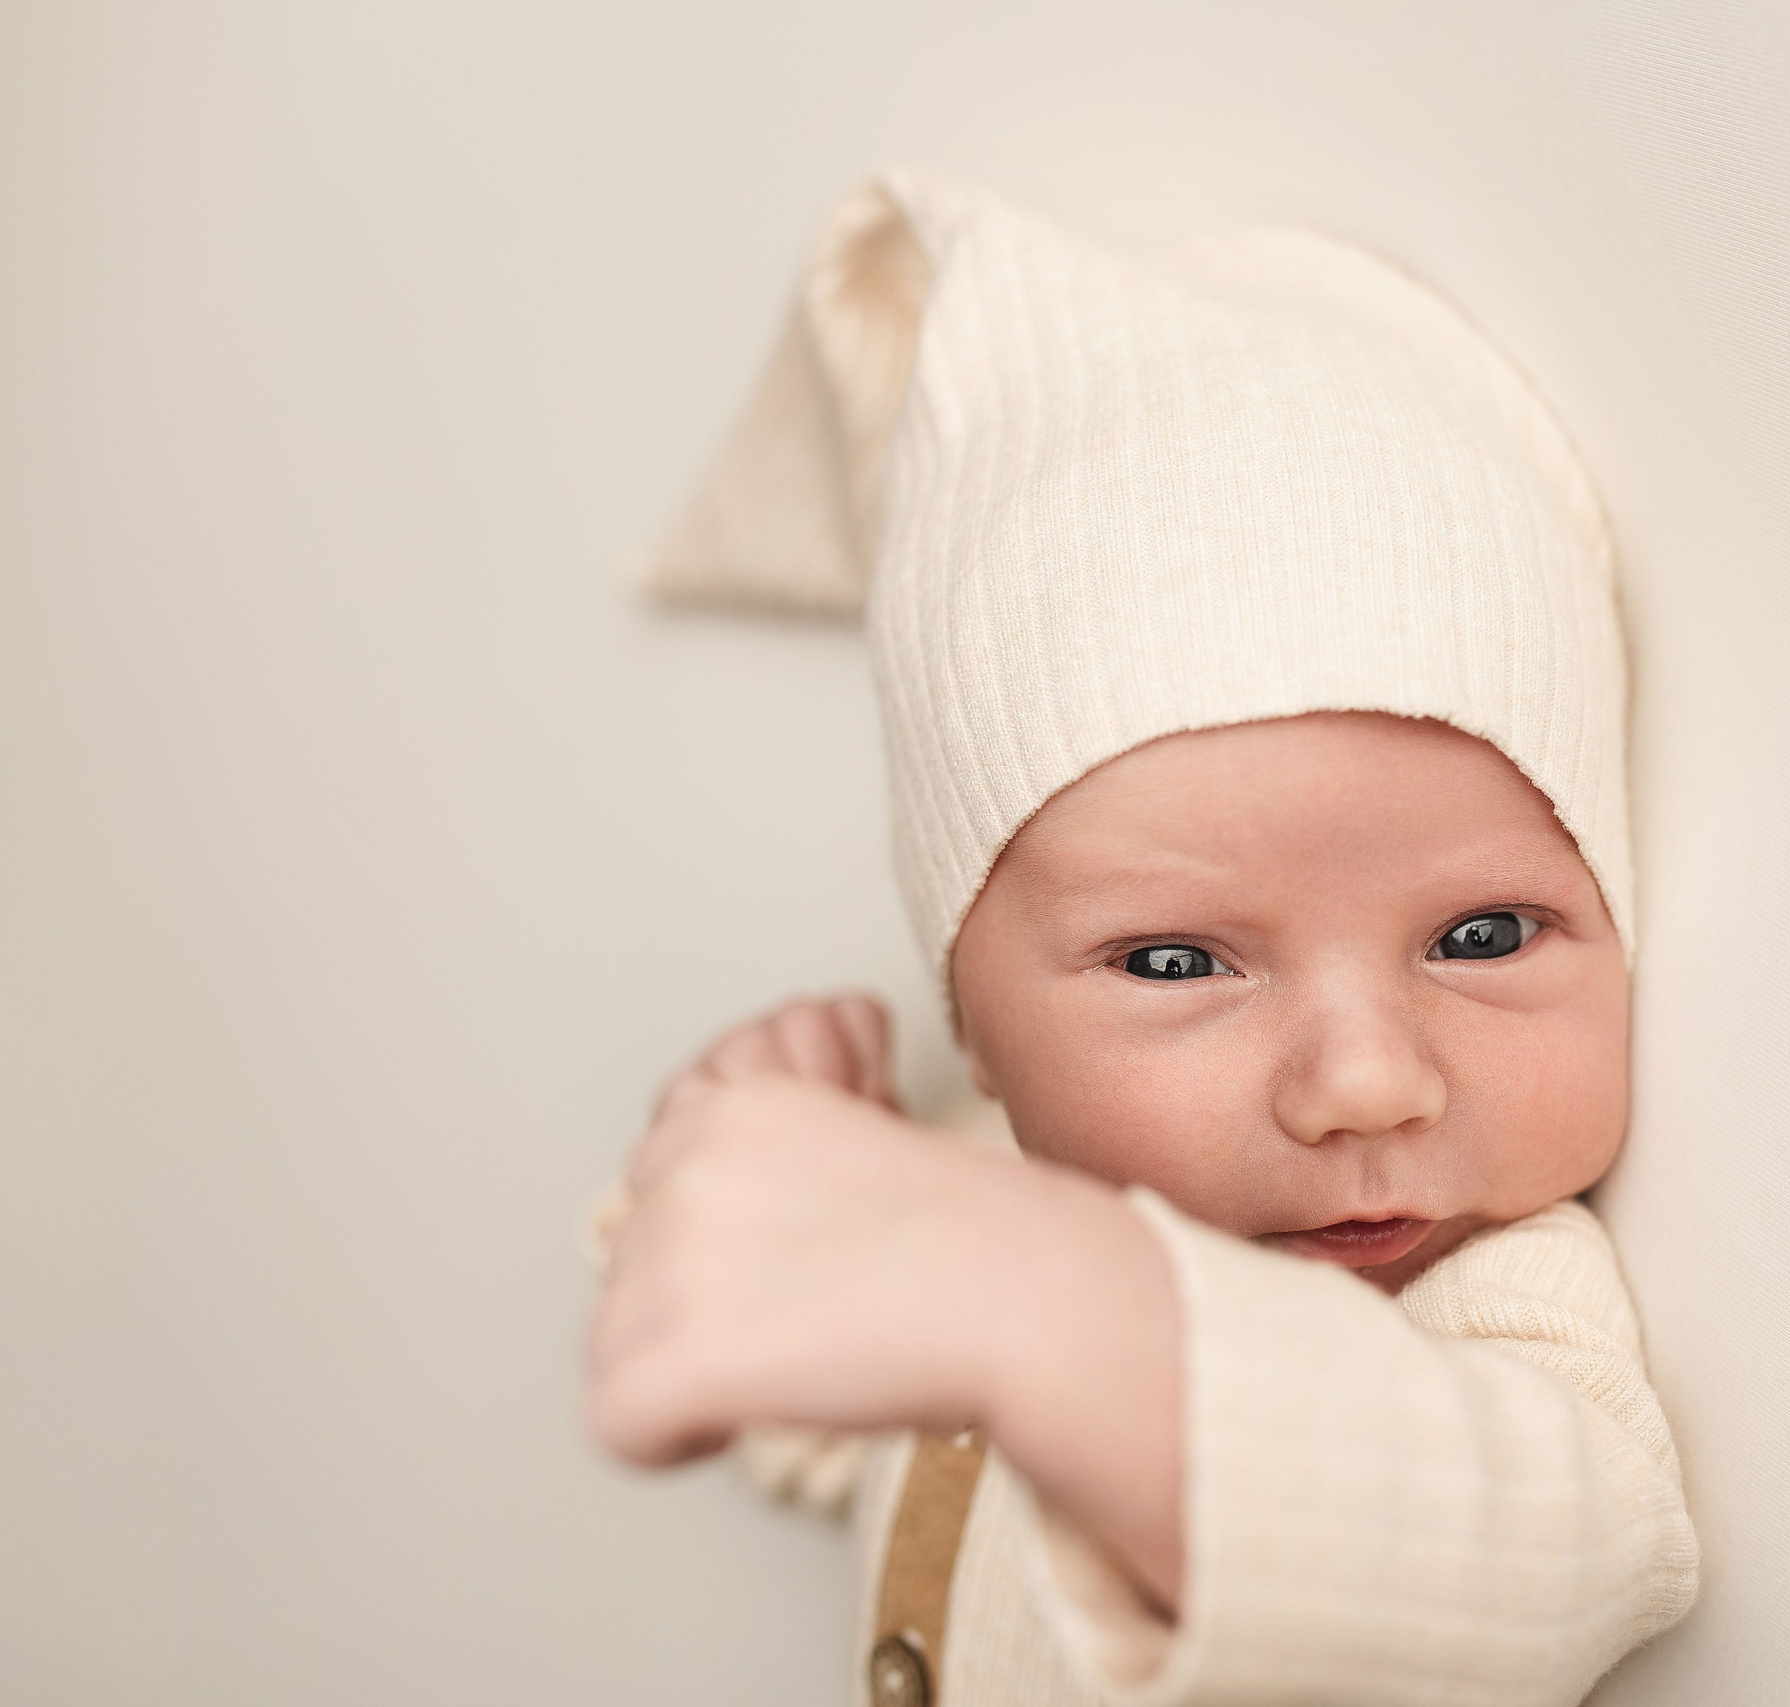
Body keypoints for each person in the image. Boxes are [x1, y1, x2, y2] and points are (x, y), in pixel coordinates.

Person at [583, 170, 1698, 1706]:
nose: (1369, 1083)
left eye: (1486, 933)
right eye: (1178, 965)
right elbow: (815, 1412)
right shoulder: (986, 1175)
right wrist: (739, 1164)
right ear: (969, 1023)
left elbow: (1525, 1561)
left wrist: (1044, 1302)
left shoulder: (1498, 1309)